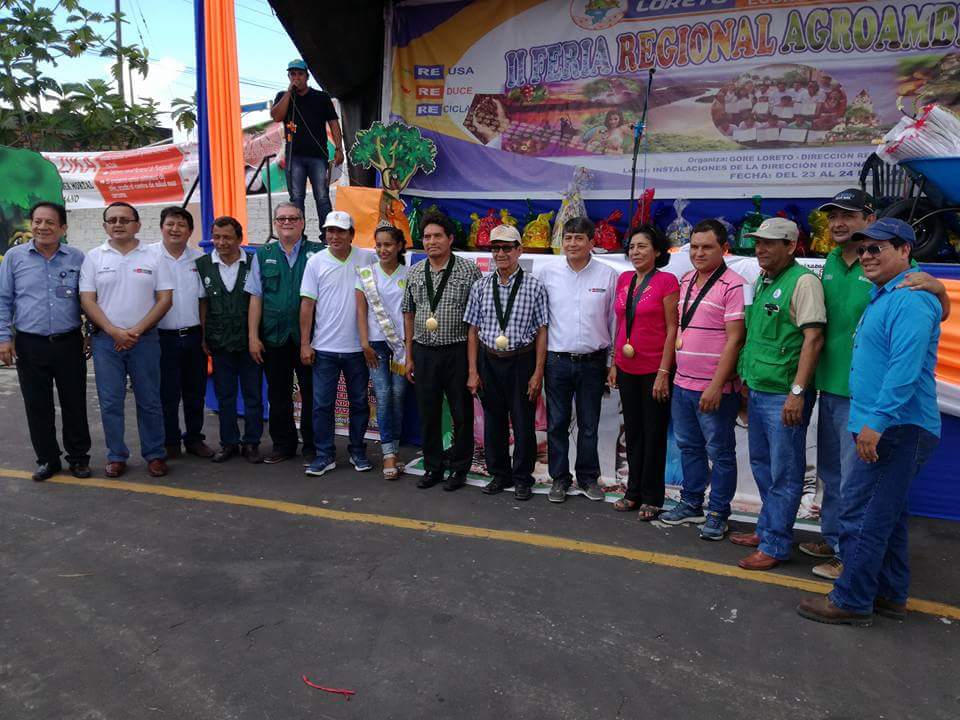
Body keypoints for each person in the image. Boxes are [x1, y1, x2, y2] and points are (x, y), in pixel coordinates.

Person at [798, 218, 942, 626]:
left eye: (878, 248)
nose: (867, 255)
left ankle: (852, 600)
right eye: (863, 249)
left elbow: (905, 369)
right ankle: (890, 595)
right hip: (885, 424)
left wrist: (875, 424)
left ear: (905, 251)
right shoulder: (889, 294)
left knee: (861, 515)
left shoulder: (911, 298)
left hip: (894, 427)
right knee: (888, 515)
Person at [732, 217, 825, 570]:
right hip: (758, 389)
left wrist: (798, 392)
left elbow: (813, 339)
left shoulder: (803, 282)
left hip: (784, 394)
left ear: (791, 246)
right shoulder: (763, 280)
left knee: (785, 472)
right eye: (758, 242)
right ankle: (767, 528)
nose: (761, 249)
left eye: (770, 243)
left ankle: (775, 545)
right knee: (762, 465)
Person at [658, 219, 746, 540]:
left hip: (715, 389)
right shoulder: (685, 281)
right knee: (689, 447)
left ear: (723, 249)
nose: (698, 252)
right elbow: (678, 330)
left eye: (706, 247)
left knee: (720, 451)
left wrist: (716, 386)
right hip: (683, 384)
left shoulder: (734, 284)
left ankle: (719, 512)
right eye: (694, 247)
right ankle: (692, 503)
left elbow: (736, 340)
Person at [79, 201, 174, 478]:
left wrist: (136, 331)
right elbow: (87, 300)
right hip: (106, 343)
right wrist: (113, 331)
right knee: (110, 402)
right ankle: (116, 455)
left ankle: (155, 454)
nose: (118, 224)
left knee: (149, 401)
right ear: (105, 225)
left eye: (124, 219)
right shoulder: (94, 257)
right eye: (112, 220)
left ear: (137, 224)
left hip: (144, 341)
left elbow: (165, 299)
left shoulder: (155, 257)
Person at [0, 202, 91, 481]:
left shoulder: (77, 257)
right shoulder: (15, 258)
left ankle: (78, 458)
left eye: (50, 222)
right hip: (30, 344)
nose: (42, 227)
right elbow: (4, 300)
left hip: (69, 343)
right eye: (37, 221)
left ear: (63, 228)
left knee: (74, 402)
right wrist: (4, 339)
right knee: (37, 405)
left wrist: (90, 333)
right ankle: (48, 460)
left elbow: (89, 300)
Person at [464, 225, 549, 501]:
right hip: (489, 361)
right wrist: (473, 371)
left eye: (507, 248)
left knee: (523, 421)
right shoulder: (480, 286)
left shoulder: (535, 286)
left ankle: (522, 478)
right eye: (495, 248)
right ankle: (499, 474)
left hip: (520, 361)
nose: (501, 253)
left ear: (519, 251)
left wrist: (538, 372)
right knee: (494, 421)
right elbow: (473, 331)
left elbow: (542, 331)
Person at [538, 216, 618, 504]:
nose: (572, 243)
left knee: (588, 424)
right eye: (568, 238)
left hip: (593, 362)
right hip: (557, 361)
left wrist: (612, 362)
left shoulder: (607, 275)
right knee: (557, 423)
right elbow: (542, 321)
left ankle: (587, 478)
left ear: (591, 243)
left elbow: (613, 321)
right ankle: (559, 479)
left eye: (579, 238)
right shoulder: (547, 273)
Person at [402, 210, 482, 491]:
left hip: (457, 351)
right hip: (424, 352)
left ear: (450, 239)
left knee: (461, 413)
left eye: (437, 236)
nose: (431, 241)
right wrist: (409, 355)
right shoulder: (414, 272)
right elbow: (408, 314)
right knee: (429, 412)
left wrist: (473, 366)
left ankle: (459, 468)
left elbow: (475, 320)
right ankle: (433, 466)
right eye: (426, 237)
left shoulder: (468, 270)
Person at [607, 223, 679, 520]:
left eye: (643, 246)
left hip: (654, 369)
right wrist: (613, 363)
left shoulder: (667, 281)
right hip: (626, 366)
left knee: (653, 433)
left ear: (658, 251)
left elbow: (673, 328)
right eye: (632, 246)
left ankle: (653, 496)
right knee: (633, 432)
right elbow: (621, 324)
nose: (635, 251)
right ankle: (632, 491)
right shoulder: (624, 279)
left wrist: (664, 370)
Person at [299, 211, 376, 476]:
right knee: (322, 405)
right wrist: (305, 343)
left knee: (359, 403)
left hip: (359, 349)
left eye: (341, 231)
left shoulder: (367, 257)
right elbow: (307, 305)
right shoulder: (316, 262)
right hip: (325, 349)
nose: (335, 236)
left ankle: (357, 450)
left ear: (352, 234)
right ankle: (324, 454)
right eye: (330, 231)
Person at [245, 202, 323, 464]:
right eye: (281, 219)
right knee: (278, 394)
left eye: (293, 218)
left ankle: (313, 446)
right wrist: (253, 337)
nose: (287, 222)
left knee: (313, 393)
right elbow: (256, 298)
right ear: (275, 223)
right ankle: (283, 445)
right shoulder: (262, 254)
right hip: (274, 337)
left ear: (302, 222)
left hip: (309, 338)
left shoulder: (317, 253)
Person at [196, 216, 263, 464]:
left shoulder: (253, 263)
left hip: (250, 344)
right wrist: (204, 336)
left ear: (239, 239)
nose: (221, 242)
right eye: (216, 237)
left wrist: (254, 337)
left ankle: (252, 443)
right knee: (225, 396)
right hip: (219, 341)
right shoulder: (203, 264)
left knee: (253, 395)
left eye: (227, 237)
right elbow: (203, 303)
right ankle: (229, 443)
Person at [149, 206, 213, 460]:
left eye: (181, 225)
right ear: (162, 227)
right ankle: (170, 441)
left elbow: (203, 302)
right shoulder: (148, 257)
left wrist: (205, 336)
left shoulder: (199, 260)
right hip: (161, 338)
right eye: (170, 224)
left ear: (190, 231)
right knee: (166, 393)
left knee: (195, 392)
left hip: (194, 337)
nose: (175, 229)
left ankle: (195, 439)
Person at [356, 223, 410, 480]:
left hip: (401, 345)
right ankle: (388, 452)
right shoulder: (366, 274)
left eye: (388, 244)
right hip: (376, 345)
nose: (382, 249)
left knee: (399, 396)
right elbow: (360, 311)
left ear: (399, 246)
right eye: (378, 245)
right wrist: (364, 343)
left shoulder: (408, 274)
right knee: (384, 395)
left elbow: (411, 314)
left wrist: (410, 346)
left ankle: (395, 450)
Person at [271, 59, 343, 227]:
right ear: (289, 76)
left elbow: (333, 123)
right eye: (292, 74)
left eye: (300, 74)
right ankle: (298, 236)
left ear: (307, 76)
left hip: (317, 156)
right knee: (296, 198)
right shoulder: (283, 97)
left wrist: (339, 149)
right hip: (294, 157)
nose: (296, 77)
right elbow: (277, 116)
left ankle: (327, 235)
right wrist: (289, 92)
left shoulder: (321, 97)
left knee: (322, 196)